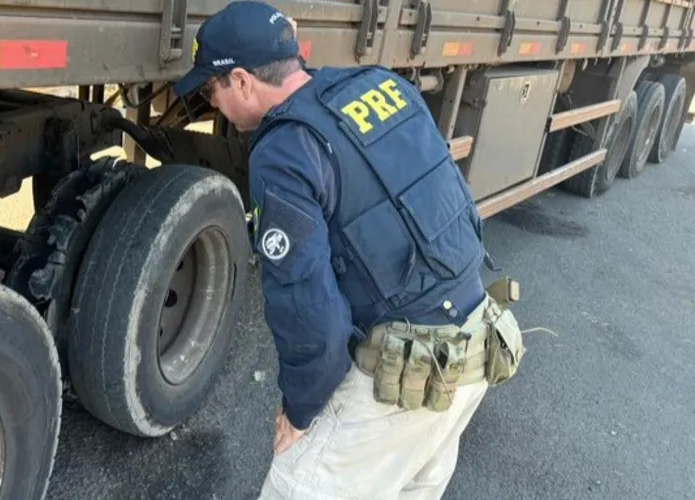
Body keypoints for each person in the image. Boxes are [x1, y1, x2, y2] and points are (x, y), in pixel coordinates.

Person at [171, 2, 527, 499]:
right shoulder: (383, 84)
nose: (213, 104)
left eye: (212, 90)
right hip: (474, 350)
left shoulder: (285, 149)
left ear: (243, 81)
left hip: (403, 382)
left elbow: (309, 310)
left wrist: (301, 411)